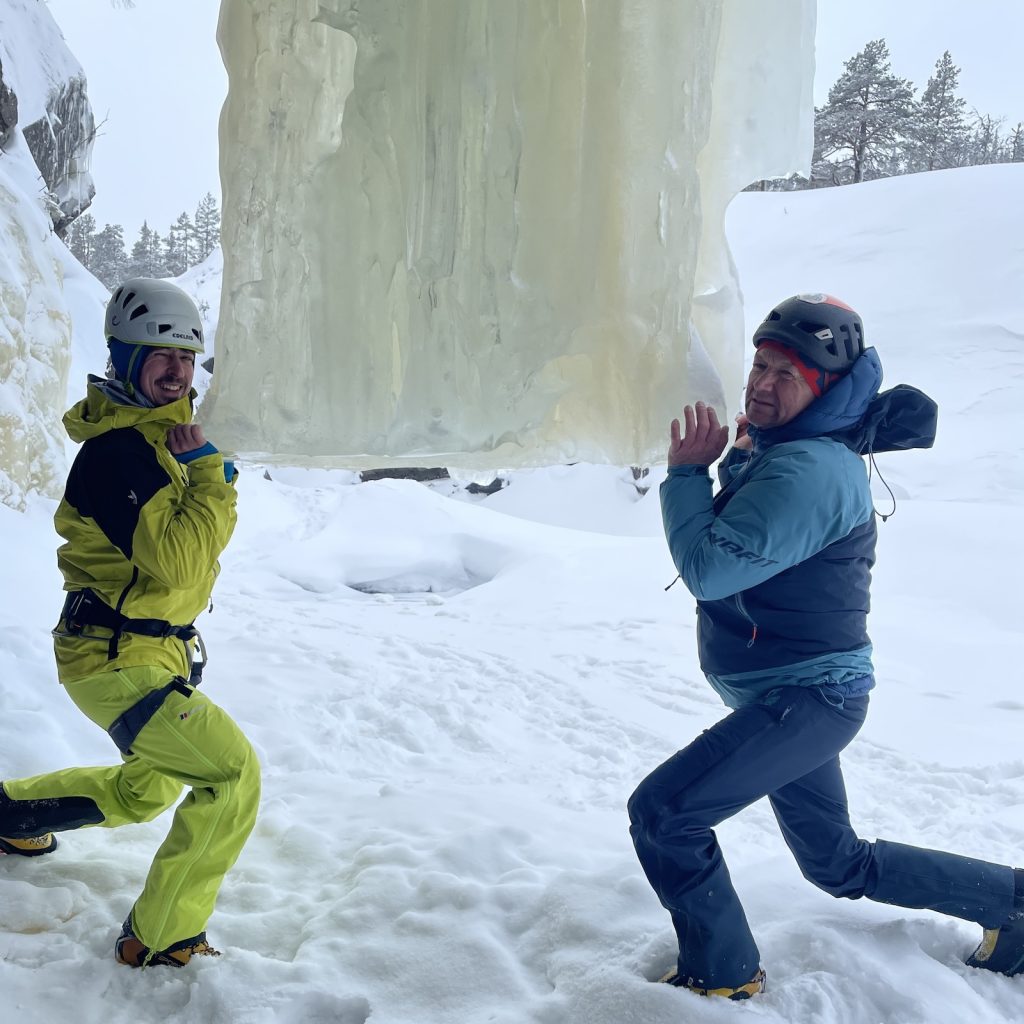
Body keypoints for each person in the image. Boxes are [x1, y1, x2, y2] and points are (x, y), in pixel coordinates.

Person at [627, 293, 1023, 999]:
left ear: (828, 387)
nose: (761, 383)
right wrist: (744, 459)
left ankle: (722, 973)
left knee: (666, 815)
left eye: (788, 374)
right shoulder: (796, 451)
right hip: (800, 694)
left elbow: (714, 569)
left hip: (807, 698)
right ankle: (1013, 905)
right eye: (760, 364)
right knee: (836, 863)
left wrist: (688, 473)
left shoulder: (810, 468)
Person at [0, 278, 260, 968]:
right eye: (157, 356)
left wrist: (203, 467)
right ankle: (164, 934)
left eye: (185, 357)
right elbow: (177, 561)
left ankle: (10, 814)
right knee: (230, 775)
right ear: (122, 359)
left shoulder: (161, 441)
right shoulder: (119, 453)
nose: (176, 370)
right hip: (113, 658)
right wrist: (211, 477)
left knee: (150, 787)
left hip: (145, 651)